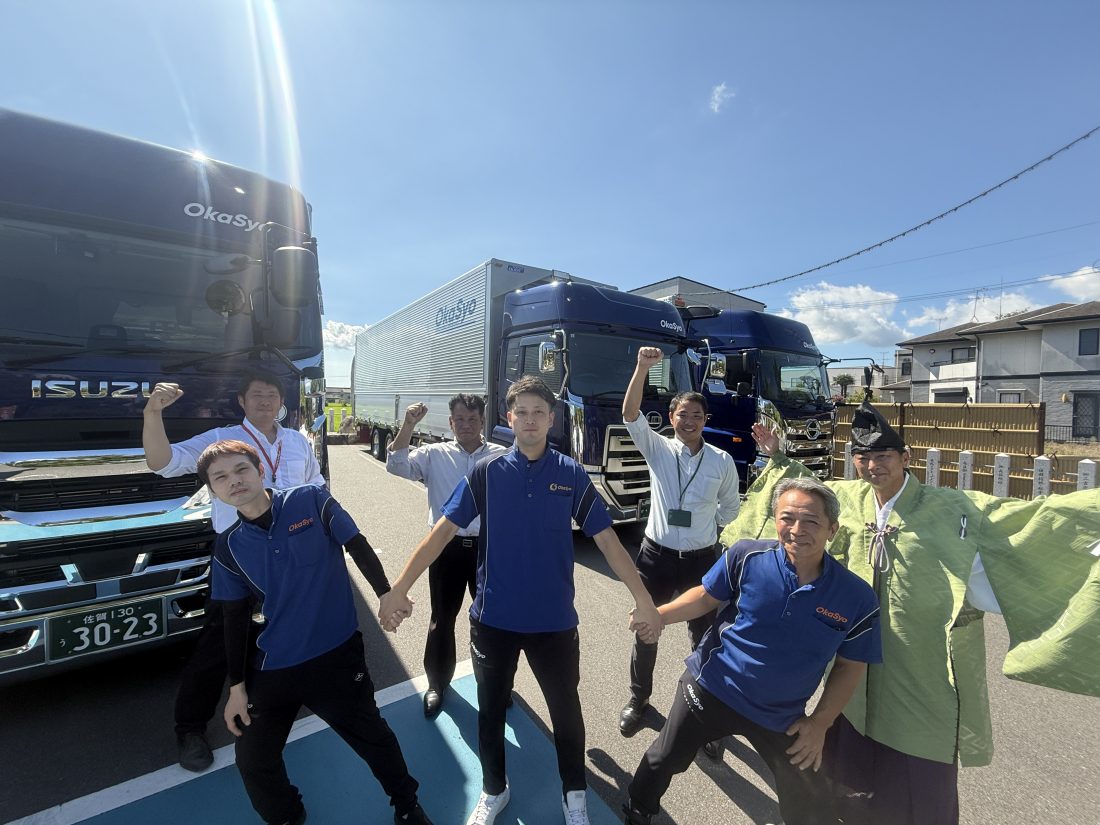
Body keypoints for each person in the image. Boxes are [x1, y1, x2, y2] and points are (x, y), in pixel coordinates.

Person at [723, 400, 1100, 825]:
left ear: (906, 458)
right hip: (854, 659)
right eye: (863, 457)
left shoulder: (951, 508)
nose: (872, 466)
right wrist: (778, 457)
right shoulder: (848, 500)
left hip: (921, 665)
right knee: (848, 766)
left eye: (883, 456)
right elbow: (808, 493)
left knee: (918, 776)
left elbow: (1028, 520)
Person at [378, 375, 663, 825]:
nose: (530, 420)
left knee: (566, 712)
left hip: (554, 623)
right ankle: (494, 789)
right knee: (490, 712)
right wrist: (400, 587)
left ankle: (574, 794)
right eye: (522, 413)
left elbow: (608, 540)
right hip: (493, 619)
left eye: (538, 413)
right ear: (509, 419)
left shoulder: (569, 473)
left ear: (551, 419)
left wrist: (644, 600)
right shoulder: (486, 472)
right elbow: (442, 532)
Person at [623, 477, 881, 825]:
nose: (797, 530)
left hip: (781, 714)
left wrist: (820, 723)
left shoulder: (856, 597)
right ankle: (638, 807)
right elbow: (706, 596)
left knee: (808, 798)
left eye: (811, 521)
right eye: (787, 518)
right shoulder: (746, 556)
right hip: (712, 687)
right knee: (665, 757)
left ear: (832, 529)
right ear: (775, 519)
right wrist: (658, 615)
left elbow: (850, 666)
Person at [202, 440, 434, 825]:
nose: (234, 481)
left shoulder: (310, 499)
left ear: (261, 471)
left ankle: (407, 805)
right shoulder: (228, 548)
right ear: (213, 491)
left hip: (335, 658)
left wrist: (385, 594)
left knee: (374, 738)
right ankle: (288, 815)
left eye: (241, 469)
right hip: (273, 668)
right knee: (253, 760)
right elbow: (234, 619)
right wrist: (237, 688)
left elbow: (356, 544)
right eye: (220, 477)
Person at [143, 368, 324, 771]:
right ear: (241, 401)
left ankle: (280, 705)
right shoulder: (222, 440)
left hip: (292, 553)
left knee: (290, 630)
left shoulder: (297, 441)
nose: (265, 401)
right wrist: (152, 413)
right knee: (221, 642)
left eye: (272, 394)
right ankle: (190, 727)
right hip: (239, 554)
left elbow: (316, 485)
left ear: (282, 402)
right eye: (256, 394)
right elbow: (162, 462)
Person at [617, 346, 741, 740]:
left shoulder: (721, 460)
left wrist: (706, 526)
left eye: (696, 416)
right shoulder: (658, 449)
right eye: (682, 415)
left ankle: (703, 713)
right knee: (647, 628)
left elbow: (730, 508)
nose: (689, 421)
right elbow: (630, 414)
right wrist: (641, 367)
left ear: (706, 420)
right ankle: (639, 699)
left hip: (702, 561)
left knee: (705, 637)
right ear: (671, 418)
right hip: (656, 557)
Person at [386, 395, 506, 718]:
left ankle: (497, 684)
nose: (466, 425)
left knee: (493, 621)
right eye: (459, 420)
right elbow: (396, 465)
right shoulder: (433, 454)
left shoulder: (500, 456)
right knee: (442, 618)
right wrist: (408, 425)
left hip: (487, 549)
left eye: (472, 419)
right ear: (450, 422)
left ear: (482, 421)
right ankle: (437, 684)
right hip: (445, 548)